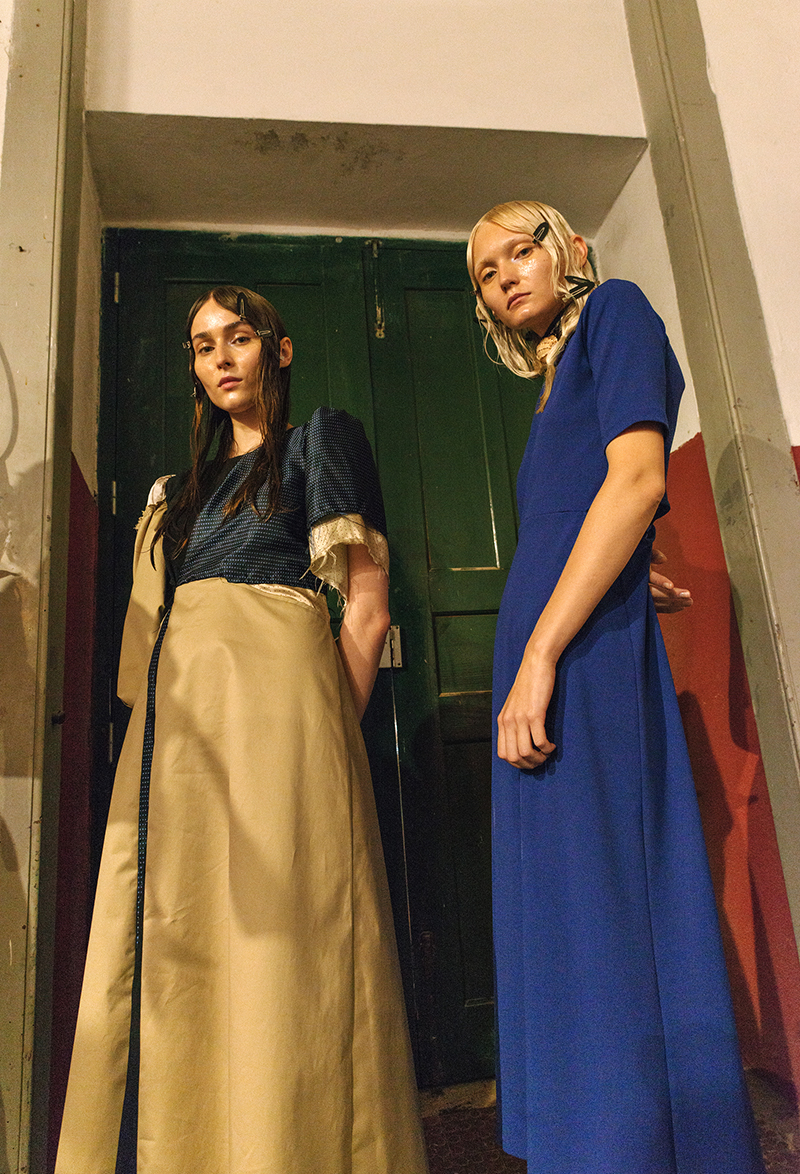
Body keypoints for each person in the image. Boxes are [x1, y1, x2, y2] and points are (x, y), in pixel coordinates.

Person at [55, 287, 429, 1174]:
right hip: (180, 733)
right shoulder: (172, 497)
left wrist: (326, 743)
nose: (220, 357)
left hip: (283, 722)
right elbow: (139, 657)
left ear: (278, 349)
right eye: (202, 345)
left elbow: (366, 609)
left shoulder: (317, 443)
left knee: (280, 936)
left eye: (239, 336)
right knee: (178, 931)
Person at [466, 202, 765, 1173]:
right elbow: (588, 505)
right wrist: (631, 566)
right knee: (563, 895)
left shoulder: (616, 311)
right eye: (485, 273)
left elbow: (636, 483)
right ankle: (584, 1139)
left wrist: (541, 657)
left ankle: (628, 1145)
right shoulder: (553, 378)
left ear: (571, 250)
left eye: (521, 250)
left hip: (569, 653)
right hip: (559, 633)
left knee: (603, 892)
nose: (506, 276)